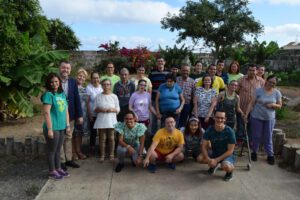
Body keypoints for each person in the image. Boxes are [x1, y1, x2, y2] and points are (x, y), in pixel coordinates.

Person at [245, 75, 282, 165]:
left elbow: (280, 105)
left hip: (269, 119)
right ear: (266, 81)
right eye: (270, 82)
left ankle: (270, 155)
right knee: (256, 136)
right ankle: (254, 152)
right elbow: (251, 103)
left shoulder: (277, 92)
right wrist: (246, 114)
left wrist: (273, 105)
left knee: (268, 137)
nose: (272, 84)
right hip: (256, 117)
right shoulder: (258, 90)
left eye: (274, 83)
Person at [41, 73, 70, 180]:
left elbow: (66, 111)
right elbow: (47, 113)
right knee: (52, 150)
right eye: (52, 82)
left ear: (59, 82)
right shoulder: (48, 95)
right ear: (49, 83)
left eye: (56, 81)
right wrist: (49, 129)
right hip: (53, 127)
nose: (54, 84)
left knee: (58, 149)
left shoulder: (61, 94)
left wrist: (67, 125)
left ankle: (58, 168)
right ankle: (51, 171)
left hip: (62, 126)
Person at [201, 110, 236, 182]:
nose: (219, 120)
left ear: (225, 119)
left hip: (227, 155)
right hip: (215, 152)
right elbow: (203, 146)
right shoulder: (209, 129)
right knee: (200, 158)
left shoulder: (229, 131)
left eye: (222, 118)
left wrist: (216, 160)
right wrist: (208, 159)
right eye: (217, 117)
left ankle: (229, 173)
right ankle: (214, 166)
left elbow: (230, 151)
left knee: (226, 167)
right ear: (214, 118)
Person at [59, 61, 82, 170]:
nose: (65, 70)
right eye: (64, 68)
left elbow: (77, 99)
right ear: (60, 68)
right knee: (60, 138)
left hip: (71, 115)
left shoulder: (73, 82)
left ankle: (68, 159)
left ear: (70, 70)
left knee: (68, 137)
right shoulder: (55, 80)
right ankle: (61, 161)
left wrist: (80, 115)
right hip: (58, 115)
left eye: (67, 68)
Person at [94, 79, 120, 162]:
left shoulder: (114, 96)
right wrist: (101, 109)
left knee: (112, 138)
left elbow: (118, 108)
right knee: (102, 139)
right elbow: (94, 109)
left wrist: (113, 109)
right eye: (104, 84)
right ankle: (102, 155)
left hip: (111, 120)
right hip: (101, 120)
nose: (106, 86)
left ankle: (111, 154)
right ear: (102, 86)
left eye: (108, 84)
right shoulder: (98, 96)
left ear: (110, 86)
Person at [237, 64, 265, 138]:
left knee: (252, 126)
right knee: (241, 126)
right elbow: (236, 91)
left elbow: (264, 93)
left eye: (253, 70)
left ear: (256, 71)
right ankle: (240, 141)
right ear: (247, 71)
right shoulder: (241, 79)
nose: (252, 72)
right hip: (242, 107)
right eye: (250, 70)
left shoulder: (261, 81)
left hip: (255, 108)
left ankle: (249, 142)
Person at [148, 57, 169, 135]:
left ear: (164, 62)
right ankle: (153, 134)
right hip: (154, 98)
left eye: (162, 61)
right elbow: (149, 85)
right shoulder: (152, 73)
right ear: (157, 63)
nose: (160, 62)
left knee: (164, 118)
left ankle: (163, 134)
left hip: (164, 100)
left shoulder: (168, 73)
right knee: (154, 118)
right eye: (158, 61)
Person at [72, 68, 89, 160]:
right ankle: (73, 152)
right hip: (73, 114)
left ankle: (78, 151)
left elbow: (87, 103)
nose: (81, 77)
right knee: (72, 134)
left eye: (83, 76)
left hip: (83, 115)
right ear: (76, 76)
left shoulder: (85, 89)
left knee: (79, 134)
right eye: (80, 75)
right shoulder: (71, 87)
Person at [86, 71, 103, 155]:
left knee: (101, 132)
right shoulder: (89, 88)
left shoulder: (102, 87)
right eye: (94, 78)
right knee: (93, 132)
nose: (95, 79)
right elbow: (88, 102)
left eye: (97, 77)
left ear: (99, 78)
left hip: (101, 114)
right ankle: (92, 148)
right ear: (91, 79)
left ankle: (101, 148)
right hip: (92, 113)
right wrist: (89, 114)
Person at [176, 64, 195, 128]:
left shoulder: (192, 81)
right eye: (183, 70)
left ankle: (181, 134)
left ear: (189, 71)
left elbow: (193, 94)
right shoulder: (176, 79)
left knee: (183, 121)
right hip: (177, 104)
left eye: (187, 70)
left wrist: (192, 105)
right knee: (175, 120)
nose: (185, 72)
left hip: (187, 104)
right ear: (181, 71)